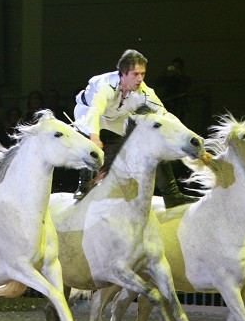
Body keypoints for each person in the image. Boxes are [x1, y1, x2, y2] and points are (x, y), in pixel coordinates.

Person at [72, 48, 196, 205]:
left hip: (117, 116)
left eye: (143, 74)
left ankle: (172, 195)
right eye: (135, 74)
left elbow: (165, 115)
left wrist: (190, 138)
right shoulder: (105, 85)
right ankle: (84, 186)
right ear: (123, 74)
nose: (140, 79)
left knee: (153, 138)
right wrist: (95, 137)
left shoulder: (145, 91)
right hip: (88, 111)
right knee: (89, 136)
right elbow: (95, 112)